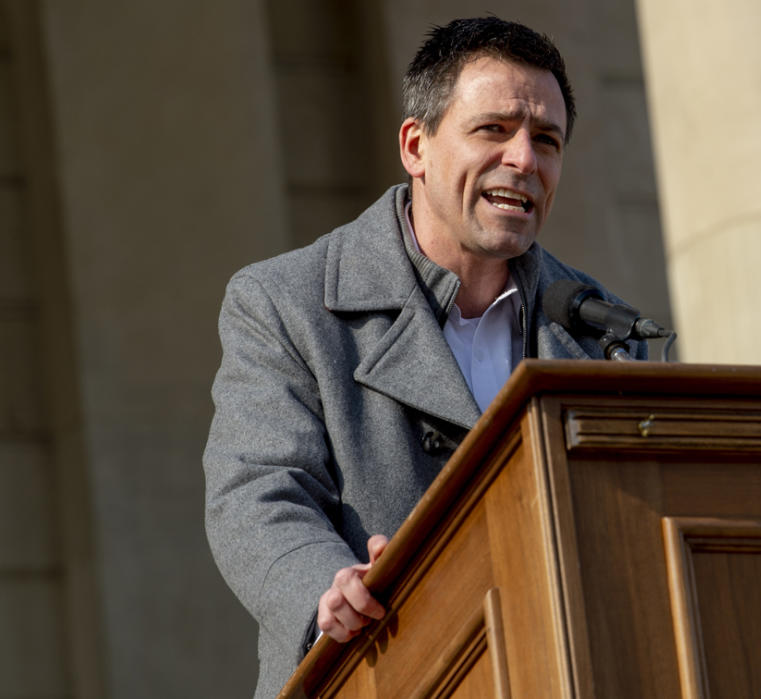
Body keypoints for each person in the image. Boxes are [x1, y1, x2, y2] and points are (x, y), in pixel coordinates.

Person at [203, 17, 642, 698]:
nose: (525, 159)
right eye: (494, 129)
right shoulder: (285, 302)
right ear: (417, 146)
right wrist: (330, 585)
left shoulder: (603, 331)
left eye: (546, 140)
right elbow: (257, 495)